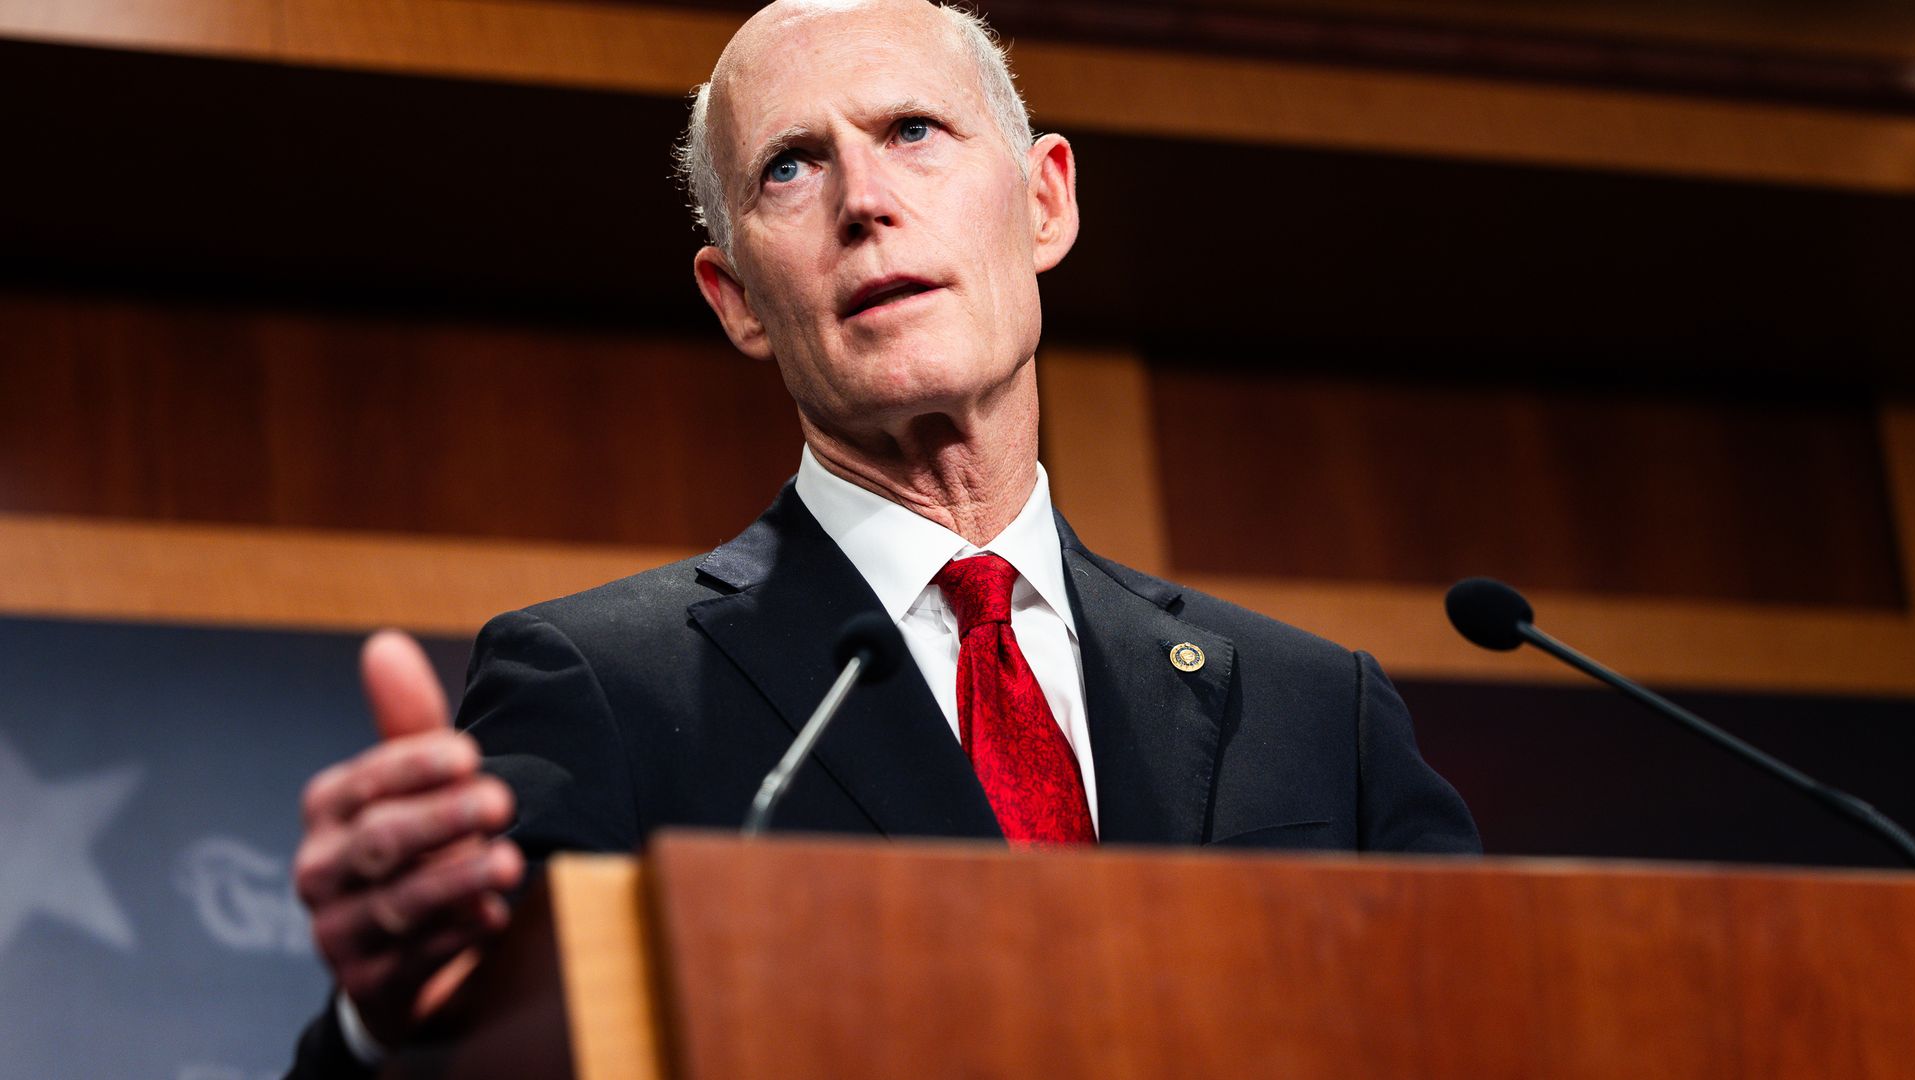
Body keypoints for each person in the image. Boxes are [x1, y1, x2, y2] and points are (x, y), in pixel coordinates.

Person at [288, 0, 1479, 1072]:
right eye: (793, 168)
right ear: (739, 299)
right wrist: (388, 1036)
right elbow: (487, 1034)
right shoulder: (596, 686)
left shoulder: (1320, 713)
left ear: (1046, 199)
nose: (866, 200)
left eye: (912, 130)